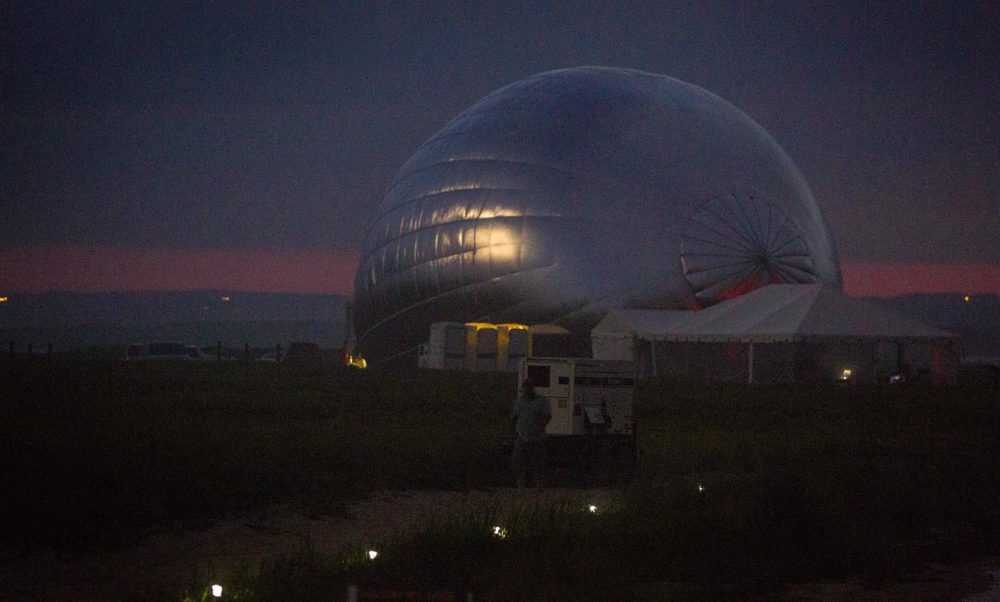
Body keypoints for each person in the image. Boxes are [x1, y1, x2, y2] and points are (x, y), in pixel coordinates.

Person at [511, 379, 552, 488]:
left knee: (537, 463)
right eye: (524, 388)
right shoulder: (519, 402)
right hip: (521, 436)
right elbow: (515, 417)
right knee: (518, 462)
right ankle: (521, 485)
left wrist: (539, 428)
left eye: (528, 388)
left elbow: (547, 416)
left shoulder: (542, 401)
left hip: (536, 438)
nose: (526, 390)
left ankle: (539, 486)